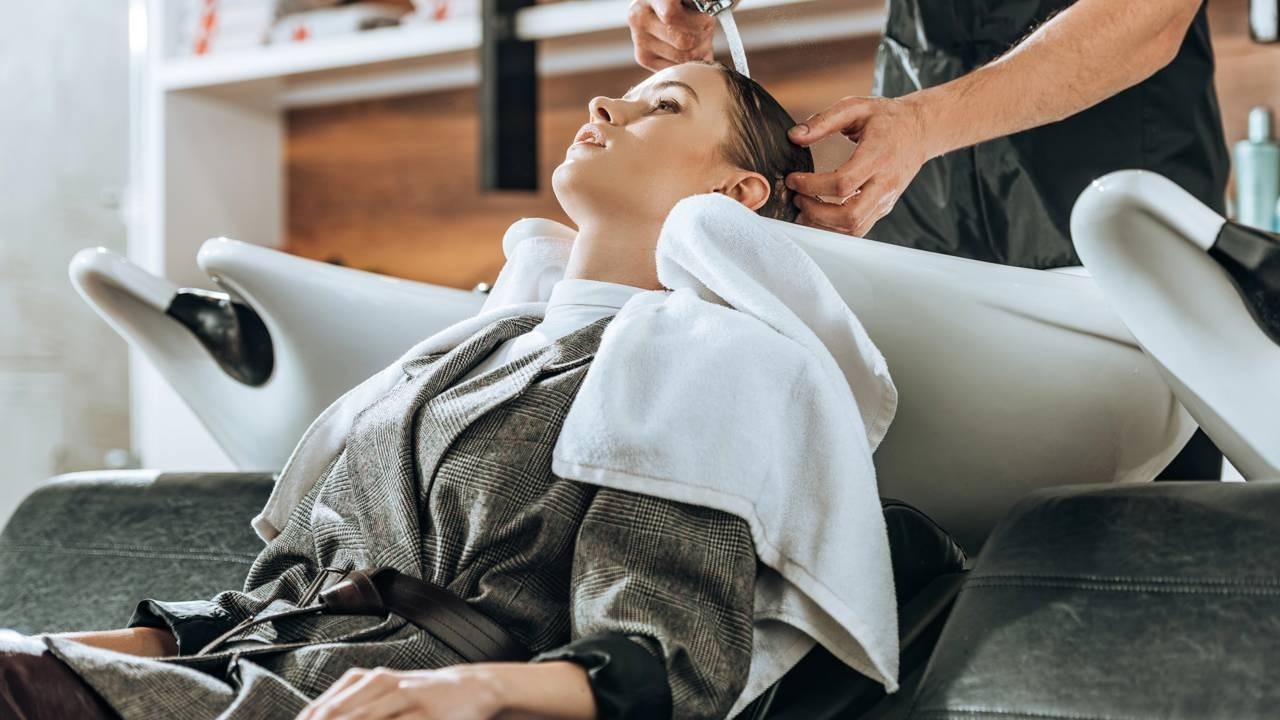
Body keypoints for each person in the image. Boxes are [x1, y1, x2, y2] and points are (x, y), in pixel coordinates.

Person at [0, 62, 818, 720]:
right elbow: (281, 599)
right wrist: (49, 653)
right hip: (249, 678)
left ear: (738, 193)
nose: (605, 103)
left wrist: (473, 690)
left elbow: (666, 659)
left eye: (664, 106)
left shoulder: (709, 362)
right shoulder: (475, 351)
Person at [627, 0, 1226, 476]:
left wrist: (923, 124)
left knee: (1141, 496)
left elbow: (1147, 17)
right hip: (927, 194)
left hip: (1107, 176)